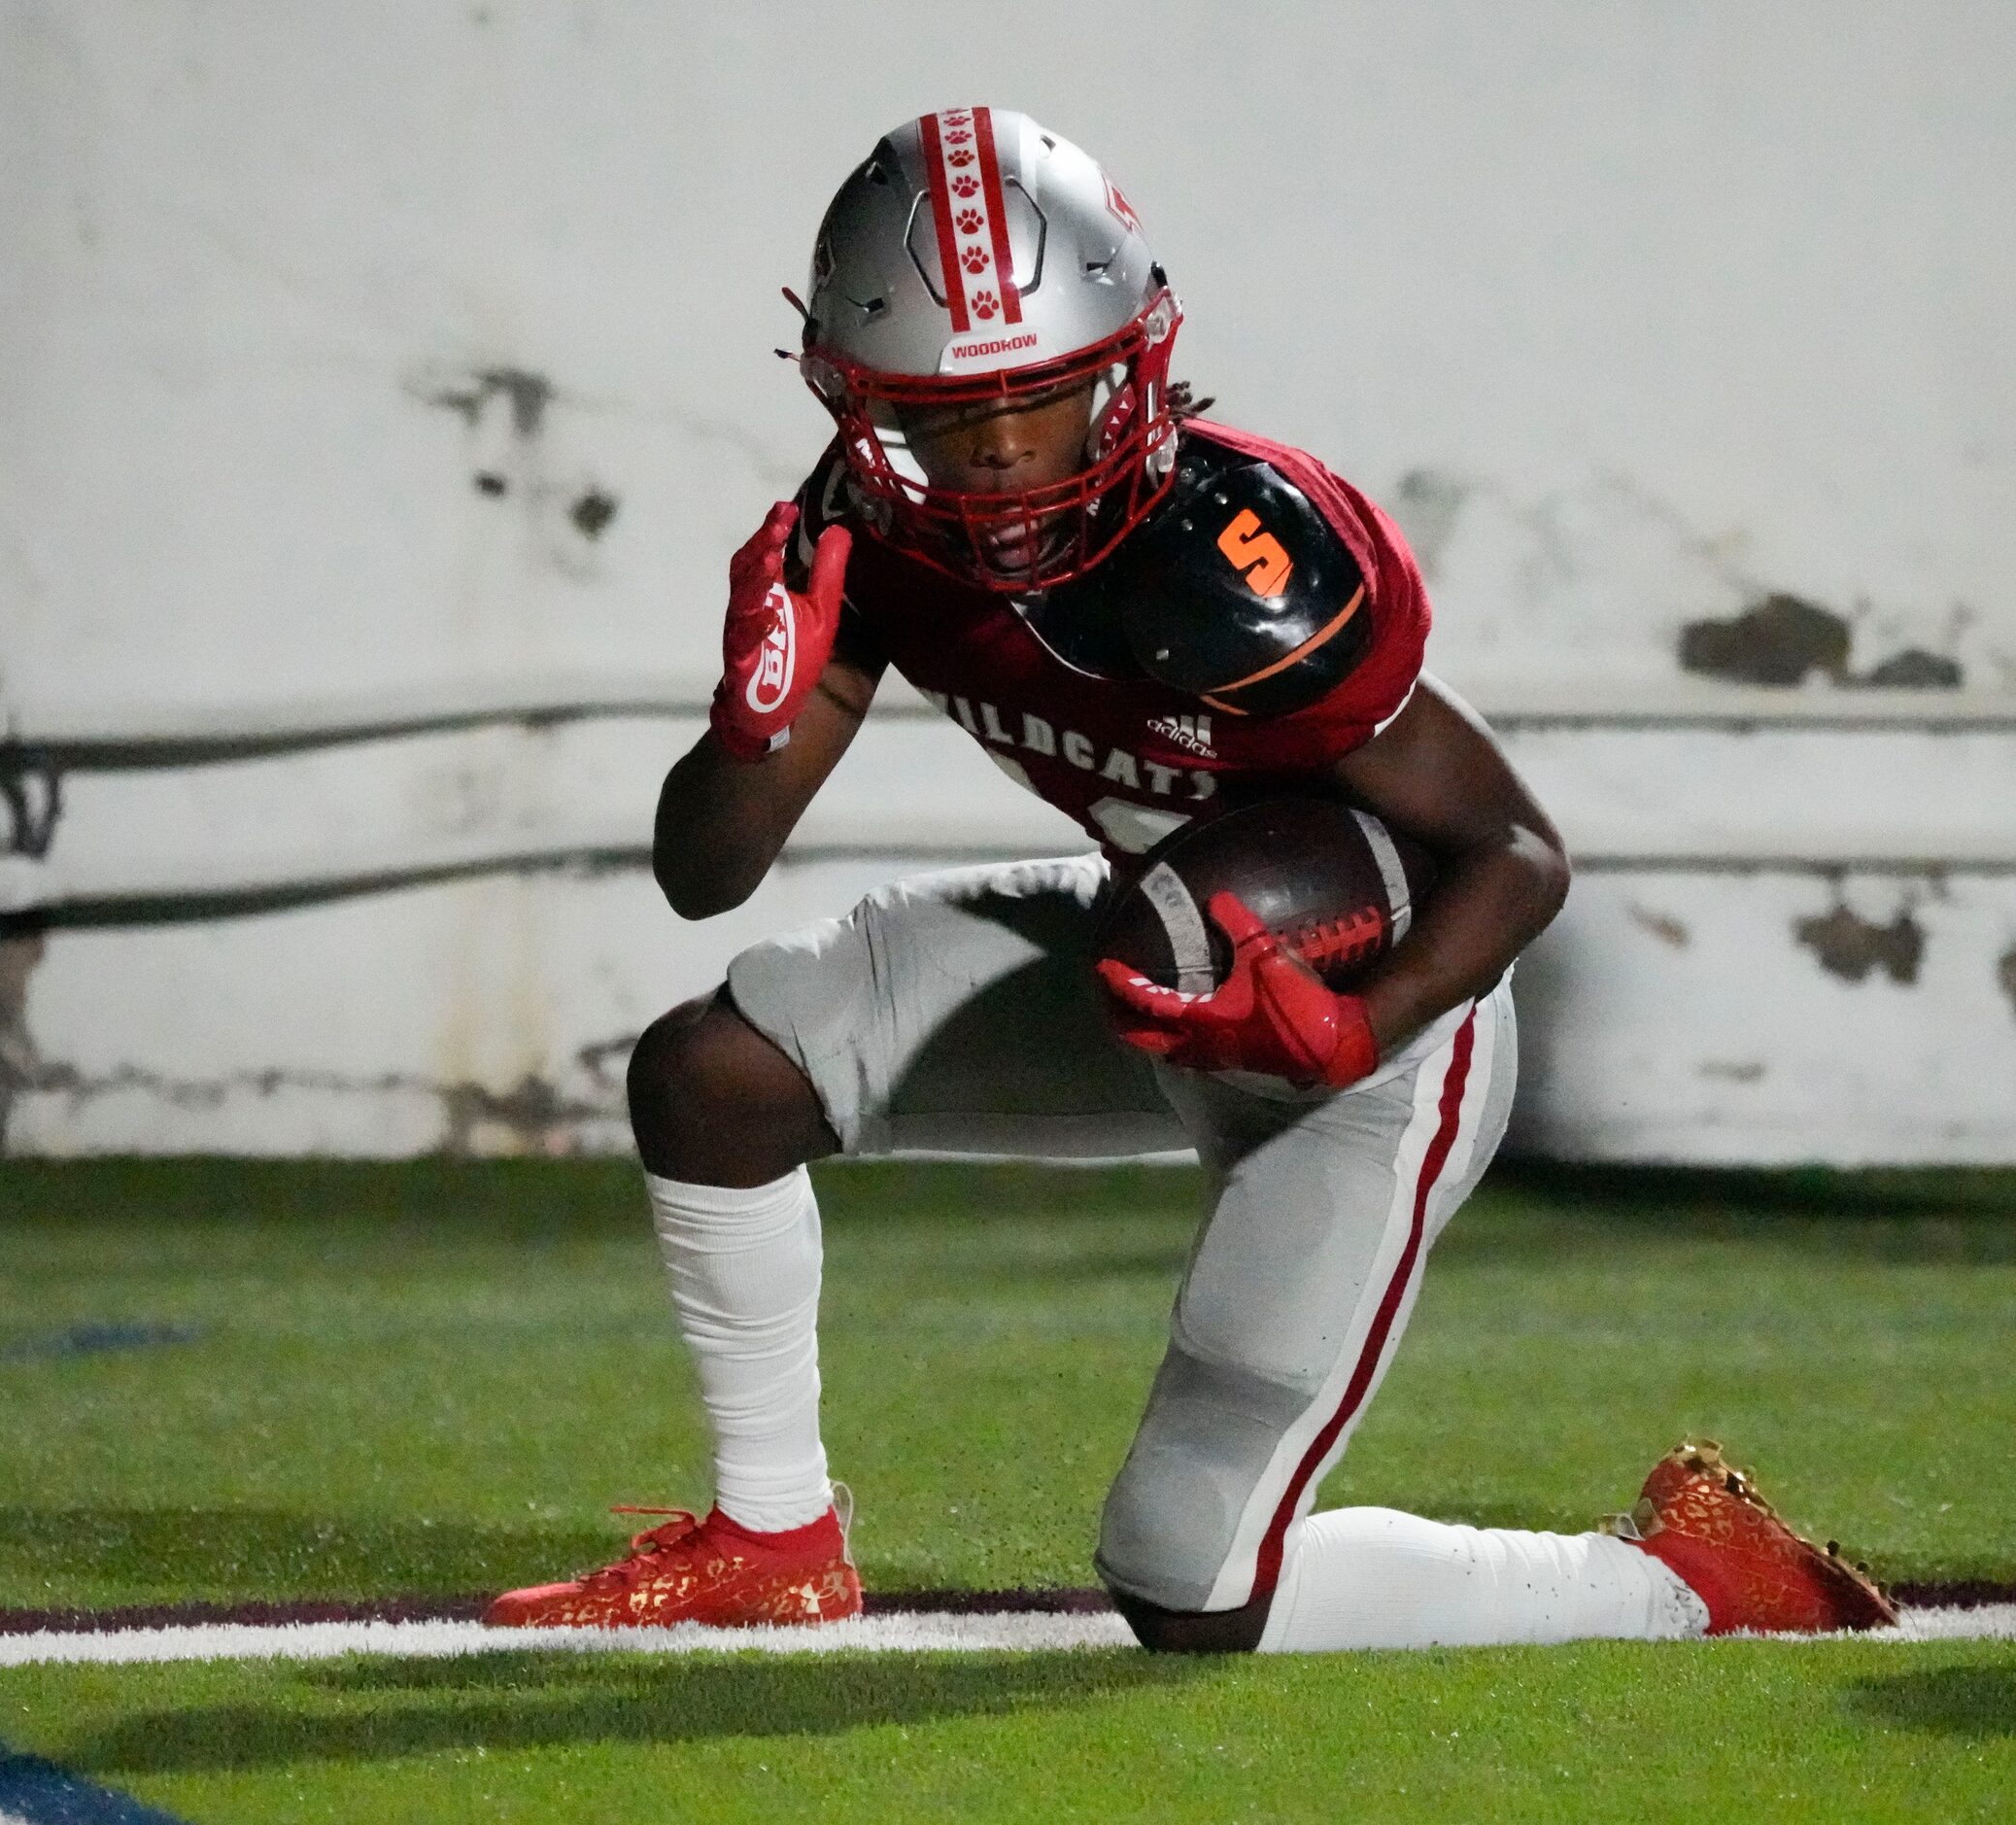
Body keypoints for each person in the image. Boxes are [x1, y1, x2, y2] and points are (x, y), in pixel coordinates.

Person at [486, 109, 1893, 1650]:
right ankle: (773, 1535)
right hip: (1153, 953)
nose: (1006, 456)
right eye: (953, 419)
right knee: (714, 1077)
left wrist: (1362, 1032)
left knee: (1193, 1586)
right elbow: (707, 873)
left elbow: (1518, 855)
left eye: (1047, 399)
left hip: (1377, 1035)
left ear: (1133, 365)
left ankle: (1683, 1580)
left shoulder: (1240, 554)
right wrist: (752, 714)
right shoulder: (864, 532)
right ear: (860, 402)